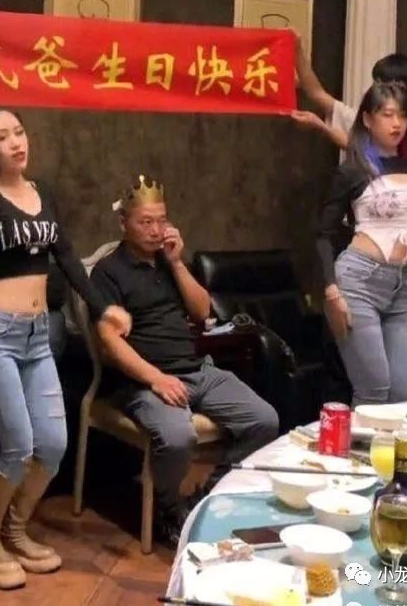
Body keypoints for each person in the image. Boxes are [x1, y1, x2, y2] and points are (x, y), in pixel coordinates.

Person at [0, 108, 131, 590]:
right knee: (17, 445)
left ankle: (15, 530)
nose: (16, 142)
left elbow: (67, 257)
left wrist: (103, 309)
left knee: (52, 445)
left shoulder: (42, 192)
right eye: (2, 137)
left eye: (20, 132)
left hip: (37, 335)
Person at [91, 175, 279, 547]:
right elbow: (109, 343)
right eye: (146, 222)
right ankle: (167, 508)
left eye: (161, 220)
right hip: (143, 381)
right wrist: (156, 379)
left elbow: (202, 310)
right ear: (123, 223)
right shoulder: (107, 272)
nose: (155, 230)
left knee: (264, 420)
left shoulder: (168, 261)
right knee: (179, 437)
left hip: (196, 369)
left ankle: (208, 497)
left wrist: (177, 264)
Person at [315, 82, 407, 408]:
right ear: (368, 119)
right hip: (359, 281)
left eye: (403, 116)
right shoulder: (354, 169)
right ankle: (363, 444)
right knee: (374, 389)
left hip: (404, 284)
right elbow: (323, 234)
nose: (397, 124)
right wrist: (332, 290)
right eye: (387, 115)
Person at [292, 34, 407, 154]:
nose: (382, 93)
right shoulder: (364, 120)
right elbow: (317, 93)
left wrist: (322, 127)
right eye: (378, 85)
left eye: (392, 87)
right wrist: (297, 50)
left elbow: (371, 154)